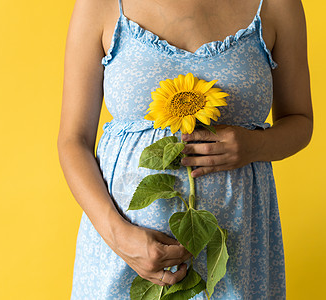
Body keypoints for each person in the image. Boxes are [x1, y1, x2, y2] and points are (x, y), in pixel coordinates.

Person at [57, 0, 312, 298]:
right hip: (124, 251)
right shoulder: (100, 5)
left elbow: (300, 121)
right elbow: (72, 140)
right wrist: (120, 238)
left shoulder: (277, 5)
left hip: (236, 253)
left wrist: (255, 145)